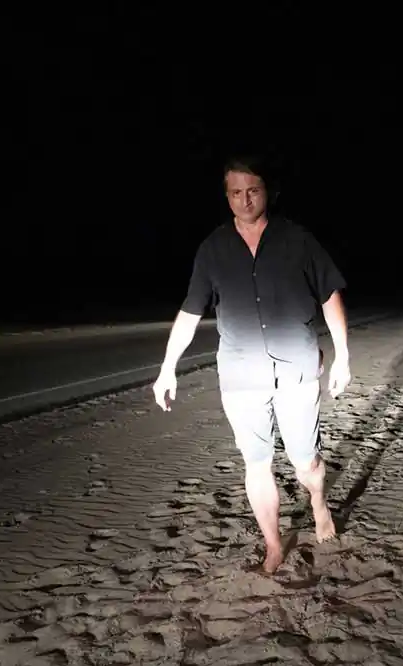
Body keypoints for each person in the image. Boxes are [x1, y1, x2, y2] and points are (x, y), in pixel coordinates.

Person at [150, 156, 352, 573]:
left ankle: (318, 501)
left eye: (253, 190)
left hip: (296, 369)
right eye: (236, 193)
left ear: (268, 192)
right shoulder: (213, 249)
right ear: (227, 197)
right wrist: (168, 367)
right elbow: (190, 311)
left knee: (305, 462)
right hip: (240, 374)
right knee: (257, 462)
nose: (245, 200)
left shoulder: (298, 239)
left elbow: (329, 295)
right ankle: (274, 545)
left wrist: (343, 356)